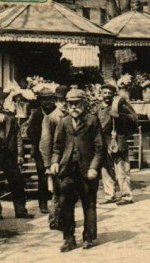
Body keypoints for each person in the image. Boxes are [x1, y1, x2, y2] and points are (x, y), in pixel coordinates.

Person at [49, 89, 104, 251]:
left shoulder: (92, 121)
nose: (73, 107)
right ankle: (68, 238)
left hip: (87, 170)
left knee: (89, 203)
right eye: (70, 104)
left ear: (84, 104)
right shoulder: (64, 122)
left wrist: (94, 167)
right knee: (65, 204)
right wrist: (54, 162)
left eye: (77, 103)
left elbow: (100, 148)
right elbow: (57, 147)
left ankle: (89, 237)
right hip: (67, 170)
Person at [0, 87, 33, 220]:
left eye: (1, 99)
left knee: (17, 181)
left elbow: (18, 136)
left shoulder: (10, 116)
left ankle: (21, 210)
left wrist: (20, 154)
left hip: (9, 154)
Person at [98, 83, 138, 206]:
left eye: (109, 93)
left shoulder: (120, 104)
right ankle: (109, 195)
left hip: (118, 141)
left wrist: (119, 116)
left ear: (113, 94)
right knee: (105, 169)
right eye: (105, 93)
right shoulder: (99, 107)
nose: (107, 95)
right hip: (103, 142)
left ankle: (126, 196)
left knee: (121, 169)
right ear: (101, 94)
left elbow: (133, 118)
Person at [39, 85, 69, 229]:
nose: (64, 104)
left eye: (66, 101)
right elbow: (45, 143)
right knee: (57, 193)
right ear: (56, 102)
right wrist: (48, 164)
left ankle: (65, 218)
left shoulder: (70, 116)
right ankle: (55, 220)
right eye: (61, 101)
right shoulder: (50, 119)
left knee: (68, 192)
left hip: (69, 159)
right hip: (56, 161)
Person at [25, 87, 54, 214]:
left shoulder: (56, 112)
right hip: (40, 150)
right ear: (40, 101)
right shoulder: (37, 114)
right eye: (44, 99)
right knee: (43, 177)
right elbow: (30, 131)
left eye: (50, 99)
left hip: (55, 148)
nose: (47, 102)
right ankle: (43, 204)